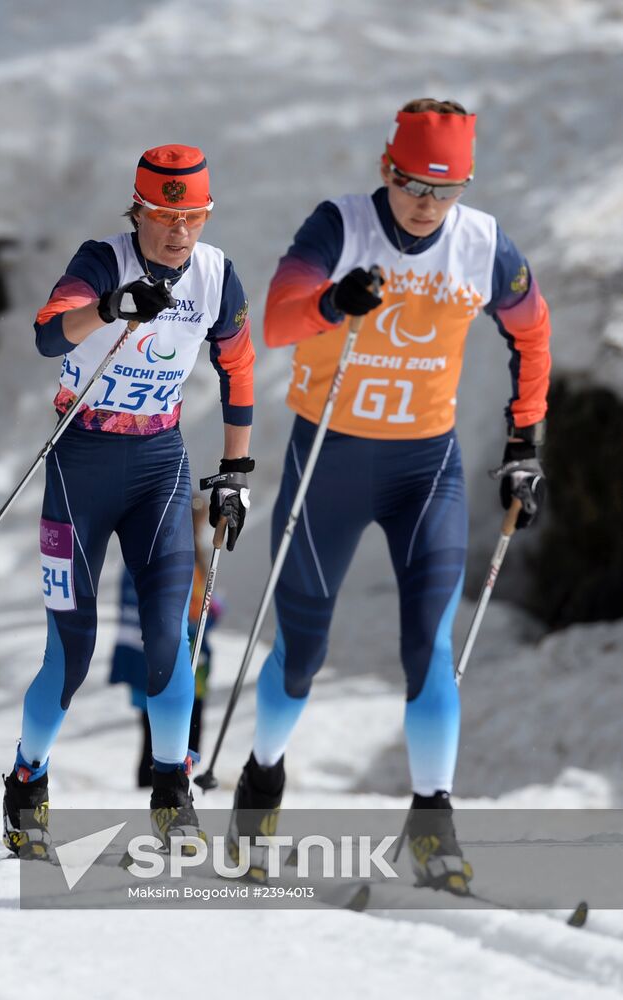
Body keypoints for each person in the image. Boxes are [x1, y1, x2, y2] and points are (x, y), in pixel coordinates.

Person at [227, 99, 551, 894]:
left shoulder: (482, 245)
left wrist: (522, 443)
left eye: (444, 191)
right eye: (411, 185)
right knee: (302, 651)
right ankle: (259, 789)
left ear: (464, 188)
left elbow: (533, 333)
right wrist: (334, 303)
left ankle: (433, 825)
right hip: (328, 460)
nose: (426, 204)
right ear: (386, 169)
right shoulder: (339, 227)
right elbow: (274, 323)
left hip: (423, 470)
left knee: (430, 651)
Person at [2, 144, 255, 858]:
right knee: (70, 651)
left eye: (193, 217)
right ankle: (28, 778)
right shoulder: (101, 259)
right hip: (80, 464)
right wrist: (109, 308)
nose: (180, 232)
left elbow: (237, 368)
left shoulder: (215, 274)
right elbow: (50, 333)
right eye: (165, 215)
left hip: (159, 467)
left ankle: (173, 789)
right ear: (139, 210)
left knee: (170, 636)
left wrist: (235, 468)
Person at [109, 495, 223, 787]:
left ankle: (175, 786)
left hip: (180, 659)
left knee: (175, 732)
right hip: (160, 659)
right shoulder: (167, 556)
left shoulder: (190, 554)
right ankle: (160, 789)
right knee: (161, 734)